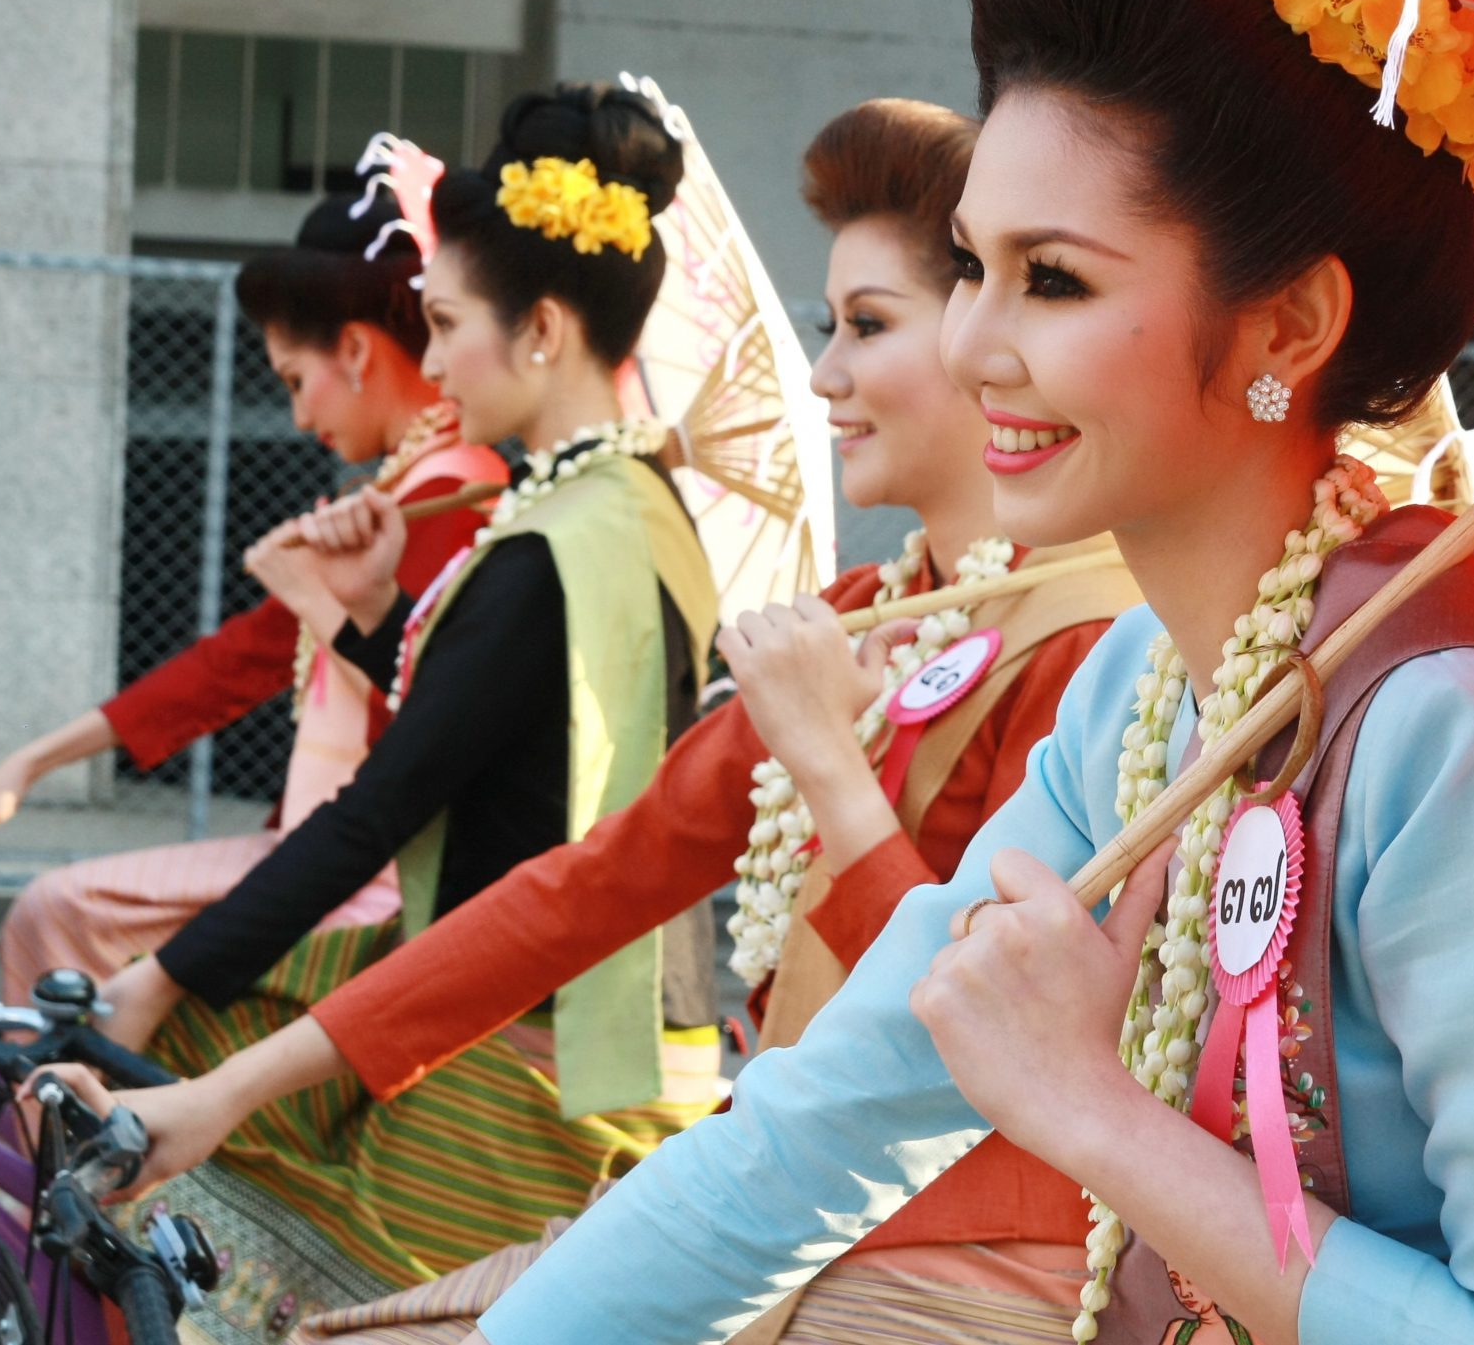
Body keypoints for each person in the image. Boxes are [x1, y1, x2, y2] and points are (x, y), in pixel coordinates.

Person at [467, 0, 1474, 1341]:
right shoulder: (1149, 688)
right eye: (971, 267)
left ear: (1290, 326)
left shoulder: (1461, 728)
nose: (973, 345)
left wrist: (1095, 1113)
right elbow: (812, 1134)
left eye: (1054, 280)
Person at [72, 96, 1142, 1344]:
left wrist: (831, 774)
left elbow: (986, 1035)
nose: (824, 373)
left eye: (868, 325)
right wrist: (222, 1092)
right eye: (824, 325)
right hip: (774, 1186)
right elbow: (588, 882)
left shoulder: (1094, 642)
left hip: (948, 1251)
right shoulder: (858, 612)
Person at [55, 83, 723, 1344]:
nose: (436, 357)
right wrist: (360, 613)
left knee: (197, 1190)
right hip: (553, 997)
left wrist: (152, 981)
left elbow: (385, 805)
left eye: (448, 321)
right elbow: (493, 748)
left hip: (547, 1055)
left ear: (539, 330)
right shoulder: (618, 510)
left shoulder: (555, 543)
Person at [0, 183, 504, 1006]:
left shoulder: (457, 494)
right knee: (62, 925)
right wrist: (32, 761)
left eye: (292, 377)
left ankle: (76, 1134)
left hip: (375, 871)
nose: (292, 415)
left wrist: (317, 598)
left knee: (53, 916)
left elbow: (427, 721)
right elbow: (235, 660)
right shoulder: (412, 491)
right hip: (339, 849)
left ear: (355, 350)